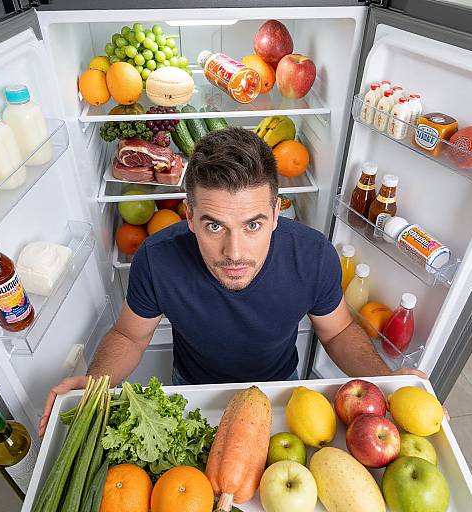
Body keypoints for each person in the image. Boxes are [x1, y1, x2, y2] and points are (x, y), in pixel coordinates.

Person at [39, 127, 424, 437]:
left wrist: (384, 380)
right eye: (214, 225)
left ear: (276, 213)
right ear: (189, 216)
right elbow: (129, 336)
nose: (234, 251)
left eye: (253, 224)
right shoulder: (157, 259)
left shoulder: (312, 255)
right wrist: (92, 383)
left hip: (280, 391)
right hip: (192, 388)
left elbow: (338, 332)